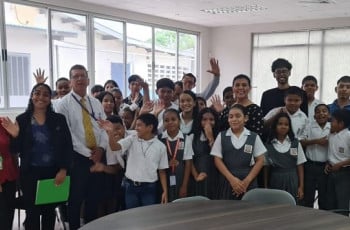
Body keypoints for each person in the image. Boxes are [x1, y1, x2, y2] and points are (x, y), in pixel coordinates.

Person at [10, 83, 73, 230]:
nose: (41, 97)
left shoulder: (59, 119)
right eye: (37, 93)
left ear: (50, 98)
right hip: (29, 173)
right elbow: (16, 149)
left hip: (53, 172)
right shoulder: (22, 119)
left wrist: (63, 169)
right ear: (32, 96)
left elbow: (67, 146)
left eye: (45, 94)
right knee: (32, 213)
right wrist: (15, 135)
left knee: (48, 212)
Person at [55, 64, 108, 229]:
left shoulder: (95, 102)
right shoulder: (63, 104)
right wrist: (88, 153)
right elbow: (67, 134)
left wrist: (101, 149)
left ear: (88, 80)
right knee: (75, 199)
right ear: (71, 81)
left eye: (82, 75)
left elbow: (104, 127)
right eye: (75, 76)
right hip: (77, 158)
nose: (79, 79)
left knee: (93, 197)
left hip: (97, 156)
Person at [102, 113, 168, 209]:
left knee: (148, 216)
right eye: (136, 125)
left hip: (149, 188)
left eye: (139, 125)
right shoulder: (132, 139)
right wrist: (110, 132)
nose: (136, 128)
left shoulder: (160, 146)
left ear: (150, 127)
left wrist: (165, 191)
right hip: (131, 187)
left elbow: (162, 171)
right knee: (131, 216)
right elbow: (114, 147)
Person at [211, 104, 265, 200]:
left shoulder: (253, 136)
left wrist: (246, 182)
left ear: (245, 118)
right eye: (231, 117)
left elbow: (260, 160)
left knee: (249, 211)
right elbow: (217, 160)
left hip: (248, 181)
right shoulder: (222, 136)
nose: (234, 119)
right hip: (227, 180)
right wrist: (232, 180)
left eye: (238, 116)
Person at [264, 112, 306, 201]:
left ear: (289, 127)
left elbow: (300, 166)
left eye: (286, 124)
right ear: (275, 125)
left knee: (292, 205)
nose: (283, 126)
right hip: (275, 179)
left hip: (292, 178)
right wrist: (265, 186)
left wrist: (301, 187)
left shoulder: (295, 143)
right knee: (276, 204)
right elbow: (266, 168)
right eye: (280, 124)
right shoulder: (269, 145)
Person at [158, 109, 193, 201]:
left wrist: (184, 185)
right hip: (163, 178)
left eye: (173, 119)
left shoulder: (186, 138)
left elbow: (188, 163)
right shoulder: (159, 139)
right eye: (166, 120)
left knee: (180, 204)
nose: (170, 122)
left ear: (179, 121)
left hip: (180, 177)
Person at [300, 104, 330, 209]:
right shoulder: (309, 126)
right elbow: (301, 142)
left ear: (329, 114)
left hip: (325, 167)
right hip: (310, 165)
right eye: (318, 112)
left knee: (324, 196)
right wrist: (317, 141)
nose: (321, 114)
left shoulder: (332, 127)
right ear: (314, 116)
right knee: (308, 196)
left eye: (324, 111)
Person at [188, 107, 219, 199]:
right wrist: (196, 175)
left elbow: (218, 156)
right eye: (204, 119)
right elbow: (189, 159)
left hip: (215, 173)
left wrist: (210, 137)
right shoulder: (192, 137)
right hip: (197, 173)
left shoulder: (221, 136)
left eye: (211, 119)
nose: (208, 122)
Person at [324, 109, 350, 215]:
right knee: (330, 202)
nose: (330, 123)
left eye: (333, 121)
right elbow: (331, 153)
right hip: (330, 172)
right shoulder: (331, 135)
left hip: (344, 173)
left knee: (342, 203)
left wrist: (339, 164)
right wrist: (327, 164)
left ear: (341, 123)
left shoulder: (348, 136)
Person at [0, 117, 19, 230]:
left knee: (8, 211)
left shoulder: (4, 123)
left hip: (10, 174)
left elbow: (15, 149)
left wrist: (16, 136)